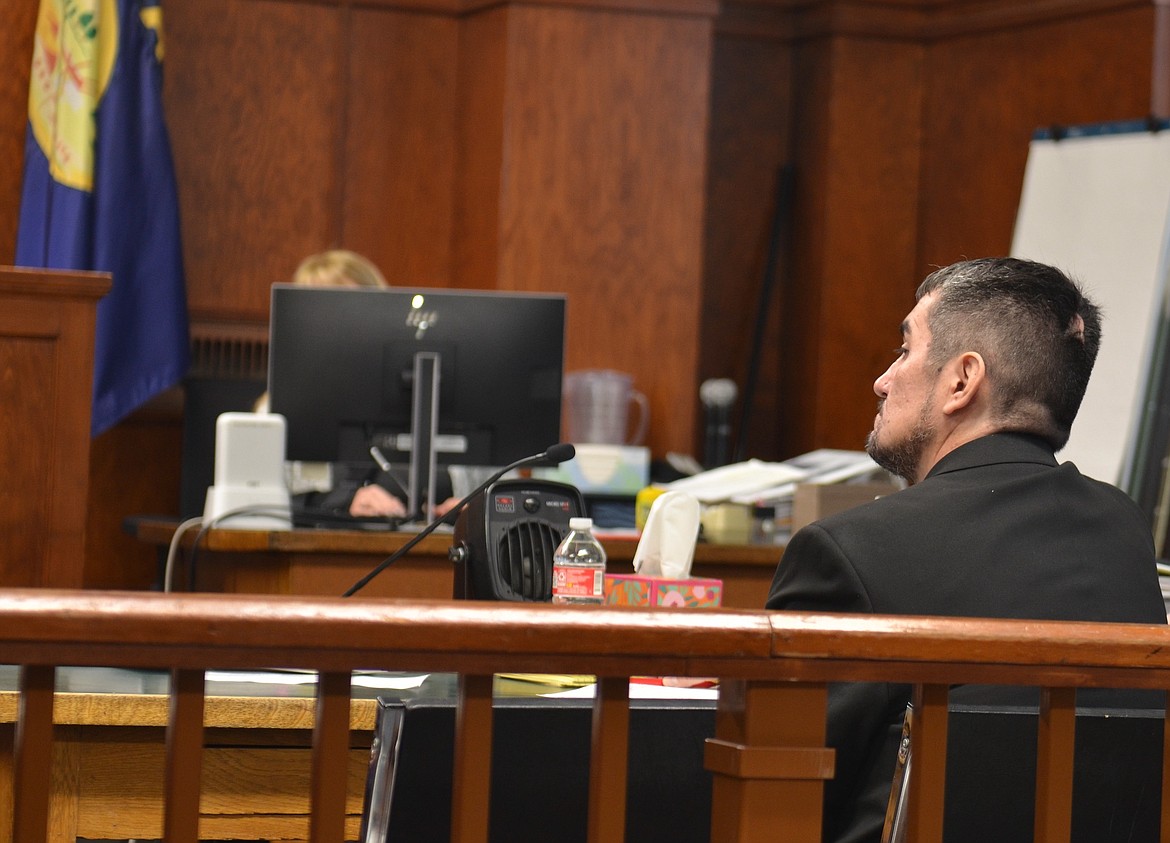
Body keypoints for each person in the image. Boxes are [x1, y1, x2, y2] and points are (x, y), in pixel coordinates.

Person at [764, 257, 1168, 843]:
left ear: (961, 380)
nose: (882, 379)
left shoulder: (847, 550)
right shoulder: (1124, 532)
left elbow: (780, 785)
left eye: (904, 351)